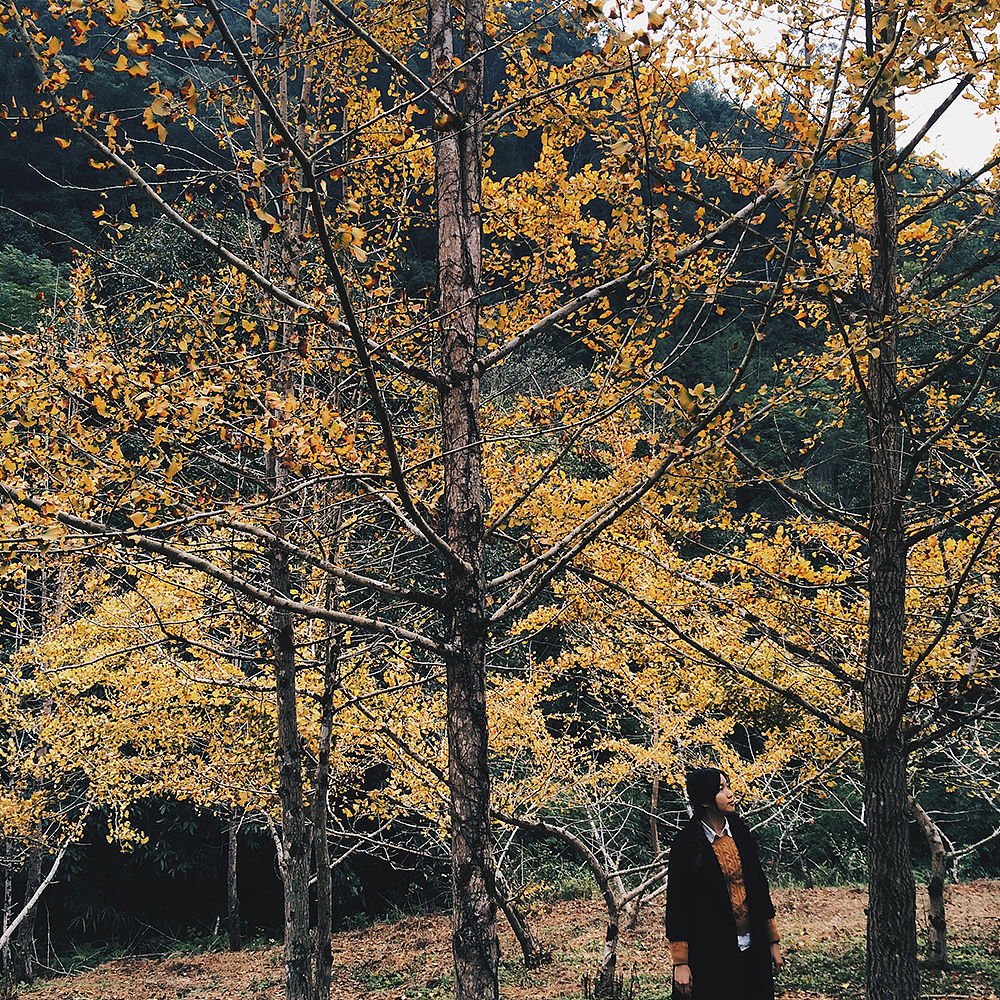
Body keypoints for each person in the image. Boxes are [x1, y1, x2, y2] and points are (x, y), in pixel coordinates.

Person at [665, 768, 783, 999]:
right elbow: (677, 904)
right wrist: (680, 962)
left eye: (728, 786)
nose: (730, 794)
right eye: (721, 789)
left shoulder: (741, 834)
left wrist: (773, 941)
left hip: (753, 946)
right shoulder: (686, 844)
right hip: (710, 952)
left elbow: (760, 890)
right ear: (704, 800)